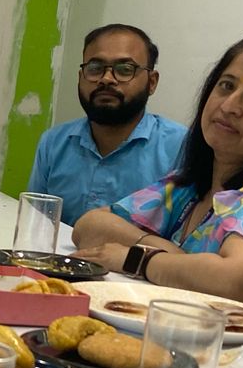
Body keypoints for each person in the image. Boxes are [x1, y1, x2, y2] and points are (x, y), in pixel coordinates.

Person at [70, 29, 243, 344]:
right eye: (227, 86)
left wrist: (138, 259)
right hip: (187, 351)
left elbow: (237, 284)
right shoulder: (191, 186)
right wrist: (168, 252)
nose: (230, 106)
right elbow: (89, 226)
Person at [26, 24, 187, 222]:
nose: (106, 79)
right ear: (80, 77)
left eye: (125, 69)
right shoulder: (53, 143)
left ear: (152, 82)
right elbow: (35, 225)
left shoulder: (182, 149)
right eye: (95, 69)